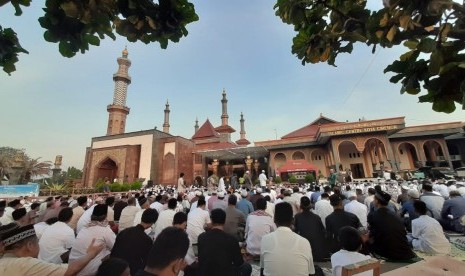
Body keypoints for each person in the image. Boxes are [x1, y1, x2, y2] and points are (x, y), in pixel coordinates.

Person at [0, 224, 104, 275]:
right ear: (30, 245)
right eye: (37, 242)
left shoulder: (4, 260)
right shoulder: (25, 264)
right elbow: (70, 270)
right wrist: (91, 254)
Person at [260, 202, 315, 276]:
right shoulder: (304, 242)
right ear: (293, 220)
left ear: (274, 220)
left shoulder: (265, 240)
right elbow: (311, 272)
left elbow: (263, 268)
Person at [198, 209, 252, 276]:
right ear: (224, 221)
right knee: (247, 267)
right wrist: (244, 259)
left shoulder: (201, 237)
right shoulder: (232, 239)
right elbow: (238, 263)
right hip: (225, 273)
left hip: (205, 273)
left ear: (211, 220)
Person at [367, 191, 416, 261]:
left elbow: (373, 234)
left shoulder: (373, 215)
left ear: (377, 201)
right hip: (405, 249)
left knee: (366, 240)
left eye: (374, 199)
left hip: (389, 252)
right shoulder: (394, 214)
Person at [69, 204, 116, 275]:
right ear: (105, 216)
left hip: (72, 267)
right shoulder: (105, 230)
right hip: (89, 271)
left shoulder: (85, 228)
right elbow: (115, 247)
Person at [111, 209, 159, 275]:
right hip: (130, 271)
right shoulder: (146, 240)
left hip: (113, 268)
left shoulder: (124, 232)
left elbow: (114, 251)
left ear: (142, 217)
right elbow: (147, 263)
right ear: (152, 223)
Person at [294, 196, 330, 261]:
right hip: (318, 252)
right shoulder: (316, 217)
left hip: (305, 251)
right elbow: (323, 231)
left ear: (301, 205)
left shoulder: (297, 217)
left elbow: (295, 232)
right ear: (310, 205)